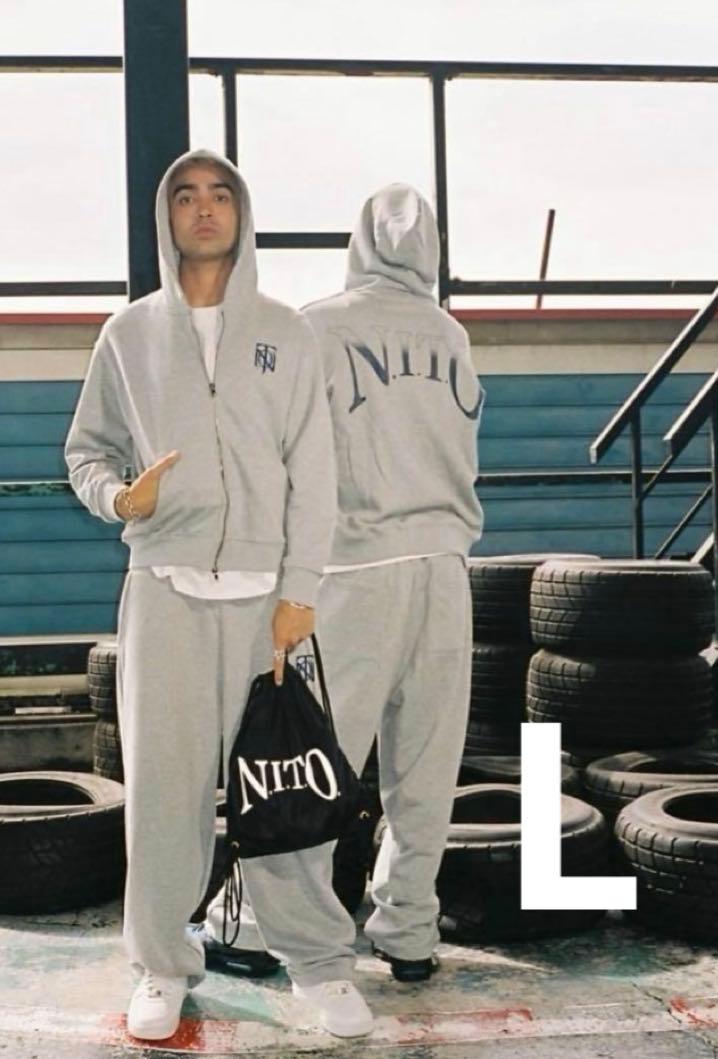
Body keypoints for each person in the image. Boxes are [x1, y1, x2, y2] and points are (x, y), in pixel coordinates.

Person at [64, 148, 374, 1041]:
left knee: (281, 781)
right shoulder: (128, 335)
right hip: (164, 592)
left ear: (242, 213)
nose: (204, 209)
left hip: (264, 602)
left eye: (221, 195)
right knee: (165, 792)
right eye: (187, 196)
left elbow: (314, 470)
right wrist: (120, 500)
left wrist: (301, 589)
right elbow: (85, 452)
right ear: (166, 218)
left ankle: (318, 965)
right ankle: (162, 965)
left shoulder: (288, 332)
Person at [204, 182, 484, 982]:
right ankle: (410, 933)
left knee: (311, 760)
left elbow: (275, 453)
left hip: (353, 573)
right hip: (446, 570)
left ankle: (257, 931)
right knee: (425, 769)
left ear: (358, 241)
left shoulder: (318, 326)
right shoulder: (453, 335)